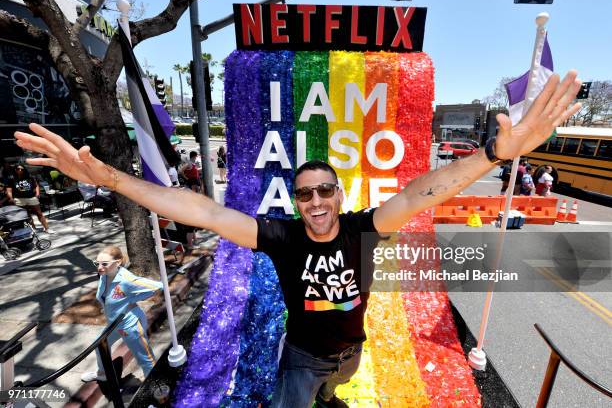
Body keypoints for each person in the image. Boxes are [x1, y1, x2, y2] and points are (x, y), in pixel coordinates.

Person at [14, 71, 582, 407]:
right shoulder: (281, 238)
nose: (315, 203)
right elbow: (201, 209)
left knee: (335, 389)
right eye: (304, 194)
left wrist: (494, 154)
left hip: (350, 356)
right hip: (301, 361)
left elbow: (422, 193)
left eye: (323, 192)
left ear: (338, 195)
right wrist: (107, 178)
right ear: (296, 202)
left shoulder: (362, 229)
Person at [80, 246, 163, 382]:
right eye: (97, 263)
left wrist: (135, 298)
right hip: (114, 323)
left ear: (117, 262)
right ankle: (103, 374)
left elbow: (158, 286)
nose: (99, 267)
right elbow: (106, 297)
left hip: (130, 325)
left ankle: (155, 387)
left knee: (145, 359)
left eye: (104, 264)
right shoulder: (104, 276)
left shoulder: (126, 280)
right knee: (100, 344)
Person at [6, 164, 50, 233]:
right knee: (26, 215)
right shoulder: (11, 179)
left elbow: (36, 185)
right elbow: (9, 190)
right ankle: (33, 228)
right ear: (15, 170)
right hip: (19, 199)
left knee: (39, 213)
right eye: (18, 169)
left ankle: (47, 228)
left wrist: (37, 194)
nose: (20, 170)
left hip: (31, 197)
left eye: (22, 169)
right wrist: (11, 198)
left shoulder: (30, 177)